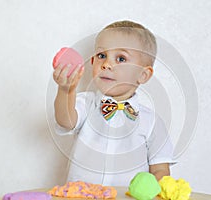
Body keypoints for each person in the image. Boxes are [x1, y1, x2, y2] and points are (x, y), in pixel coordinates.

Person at [53, 20, 174, 186]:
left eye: (121, 58)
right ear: (93, 62)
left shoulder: (152, 122)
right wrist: (66, 91)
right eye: (101, 56)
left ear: (143, 75)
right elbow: (65, 121)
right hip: (81, 196)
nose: (107, 64)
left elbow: (160, 169)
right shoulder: (85, 103)